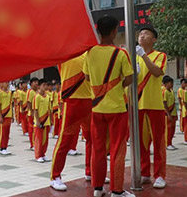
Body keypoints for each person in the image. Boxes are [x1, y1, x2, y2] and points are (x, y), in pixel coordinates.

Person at [83, 16, 134, 197]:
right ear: (114, 31)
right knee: (117, 149)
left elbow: (87, 77)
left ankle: (97, 189)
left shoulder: (90, 53)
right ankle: (117, 190)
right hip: (117, 109)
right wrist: (116, 85)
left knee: (98, 150)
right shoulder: (121, 53)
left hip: (97, 109)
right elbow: (129, 77)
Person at [50, 53, 94, 191]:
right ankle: (55, 176)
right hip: (72, 100)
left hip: (90, 100)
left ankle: (91, 171)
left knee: (92, 139)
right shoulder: (65, 53)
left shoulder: (90, 53)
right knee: (65, 140)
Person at [136, 27, 167, 189]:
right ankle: (145, 173)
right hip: (138, 106)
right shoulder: (133, 57)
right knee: (141, 143)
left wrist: (143, 56)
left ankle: (160, 175)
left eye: (146, 33)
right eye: (141, 33)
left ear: (153, 39)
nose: (142, 35)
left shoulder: (160, 55)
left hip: (154, 105)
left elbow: (156, 72)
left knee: (158, 141)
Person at [33, 79, 52, 163]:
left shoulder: (47, 97)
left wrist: (51, 121)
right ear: (39, 86)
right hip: (40, 121)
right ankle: (38, 155)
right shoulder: (37, 97)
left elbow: (49, 110)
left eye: (46, 85)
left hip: (46, 121)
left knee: (45, 140)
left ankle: (43, 154)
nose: (45, 87)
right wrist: (37, 121)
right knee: (39, 139)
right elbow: (35, 110)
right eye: (43, 85)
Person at [0, 82, 13, 155]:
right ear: (1, 84)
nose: (7, 84)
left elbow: (11, 104)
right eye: (5, 83)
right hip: (3, 114)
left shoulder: (9, 93)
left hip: (8, 114)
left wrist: (12, 116)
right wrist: (1, 116)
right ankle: (2, 148)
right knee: (3, 132)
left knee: (7, 132)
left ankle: (5, 147)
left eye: (8, 83)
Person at [161, 76, 176, 150]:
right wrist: (168, 114)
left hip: (173, 112)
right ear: (166, 84)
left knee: (173, 129)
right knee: (168, 129)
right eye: (170, 83)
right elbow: (164, 103)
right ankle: (167, 143)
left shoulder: (172, 91)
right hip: (168, 114)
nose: (172, 84)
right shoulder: (165, 92)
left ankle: (170, 142)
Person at [26, 77, 39, 150]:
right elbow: (28, 102)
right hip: (31, 114)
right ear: (31, 84)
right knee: (31, 129)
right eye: (34, 82)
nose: (36, 83)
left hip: (37, 113)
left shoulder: (37, 91)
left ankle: (36, 143)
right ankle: (32, 144)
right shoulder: (30, 91)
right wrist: (31, 111)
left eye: (37, 82)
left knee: (35, 129)